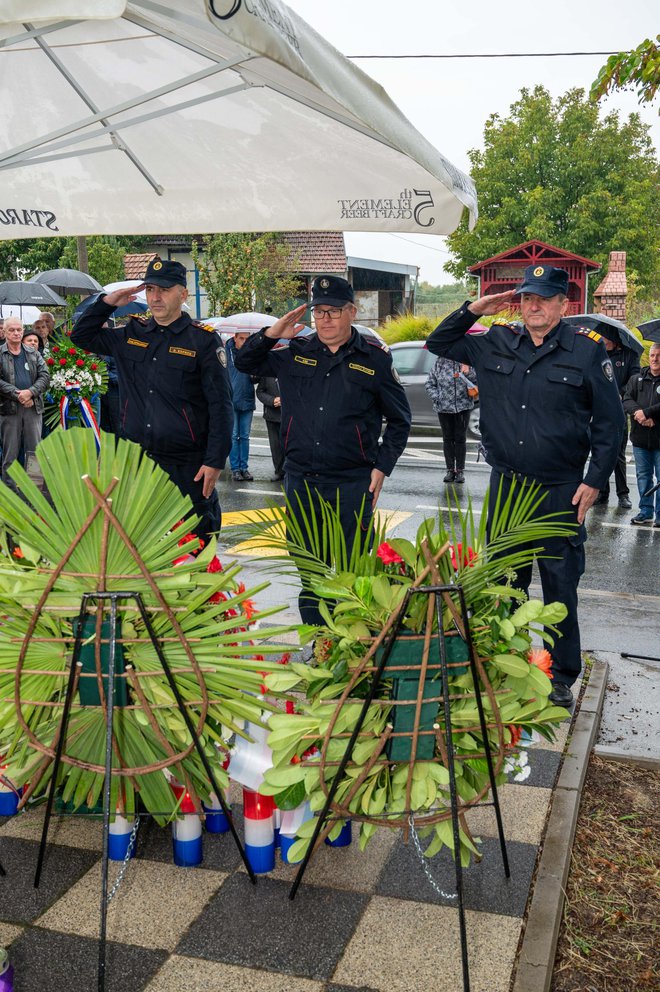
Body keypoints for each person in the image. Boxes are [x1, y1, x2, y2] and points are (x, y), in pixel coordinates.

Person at [426, 265, 624, 709]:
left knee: (559, 586)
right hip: (508, 489)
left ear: (562, 305)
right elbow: (439, 343)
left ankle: (557, 676)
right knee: (505, 584)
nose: (533, 306)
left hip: (560, 490)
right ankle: (509, 663)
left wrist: (594, 482)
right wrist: (474, 308)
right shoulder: (498, 340)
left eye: (543, 299)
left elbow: (612, 424)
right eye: (527, 298)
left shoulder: (585, 351)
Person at [234, 274, 412, 625]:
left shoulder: (374, 359)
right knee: (309, 568)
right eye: (319, 312)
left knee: (352, 567)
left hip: (352, 481)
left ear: (352, 312)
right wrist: (272, 333)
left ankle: (352, 639)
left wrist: (382, 468)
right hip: (301, 479)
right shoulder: (295, 352)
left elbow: (400, 420)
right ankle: (318, 637)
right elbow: (244, 363)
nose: (325, 319)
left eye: (333, 311)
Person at [71, 258, 233, 547]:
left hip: (187, 464)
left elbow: (221, 405)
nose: (155, 297)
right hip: (138, 462)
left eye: (164, 290)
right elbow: (81, 335)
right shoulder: (133, 333)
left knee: (193, 546)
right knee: (141, 546)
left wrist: (214, 461)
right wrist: (107, 303)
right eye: (150, 290)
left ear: (183, 295)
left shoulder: (203, 341)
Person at [0, 317, 50, 490]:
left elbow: (45, 376)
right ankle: (10, 492)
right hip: (9, 411)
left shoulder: (33, 352)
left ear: (22, 331)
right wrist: (17, 394)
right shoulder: (0, 353)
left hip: (33, 409)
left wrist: (30, 392)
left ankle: (35, 492)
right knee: (10, 454)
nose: (16, 333)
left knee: (34, 452)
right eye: (11, 330)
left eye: (19, 330)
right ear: (4, 332)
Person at [593, 334, 640, 509]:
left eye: (605, 337)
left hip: (619, 411)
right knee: (600, 452)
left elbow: (634, 380)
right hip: (598, 409)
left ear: (613, 338)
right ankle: (602, 493)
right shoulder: (598, 353)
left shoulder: (630, 355)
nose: (602, 339)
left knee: (618, 453)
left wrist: (620, 392)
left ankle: (623, 494)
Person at [622, 341, 660, 527]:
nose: (655, 359)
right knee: (643, 476)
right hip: (639, 439)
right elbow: (626, 399)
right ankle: (646, 511)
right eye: (653, 355)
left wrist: (649, 413)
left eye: (659, 355)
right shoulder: (636, 379)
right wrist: (639, 413)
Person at [425, 355, 477, 484]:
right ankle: (449, 470)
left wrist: (468, 372)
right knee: (447, 439)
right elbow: (429, 383)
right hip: (443, 408)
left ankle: (459, 471)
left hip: (463, 407)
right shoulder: (440, 362)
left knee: (460, 439)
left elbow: (477, 381)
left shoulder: (467, 361)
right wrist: (438, 398)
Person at [226, 331, 256, 482]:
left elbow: (257, 377)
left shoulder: (251, 354)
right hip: (231, 401)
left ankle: (244, 468)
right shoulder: (226, 353)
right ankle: (235, 469)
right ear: (234, 338)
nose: (244, 342)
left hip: (247, 399)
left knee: (244, 437)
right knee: (233, 436)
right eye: (241, 338)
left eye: (246, 339)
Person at [256, 375, 284, 481]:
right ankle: (279, 471)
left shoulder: (291, 369)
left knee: (289, 445)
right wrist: (272, 400)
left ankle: (289, 472)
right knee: (275, 446)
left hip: (289, 416)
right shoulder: (267, 373)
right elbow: (260, 392)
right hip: (272, 415)